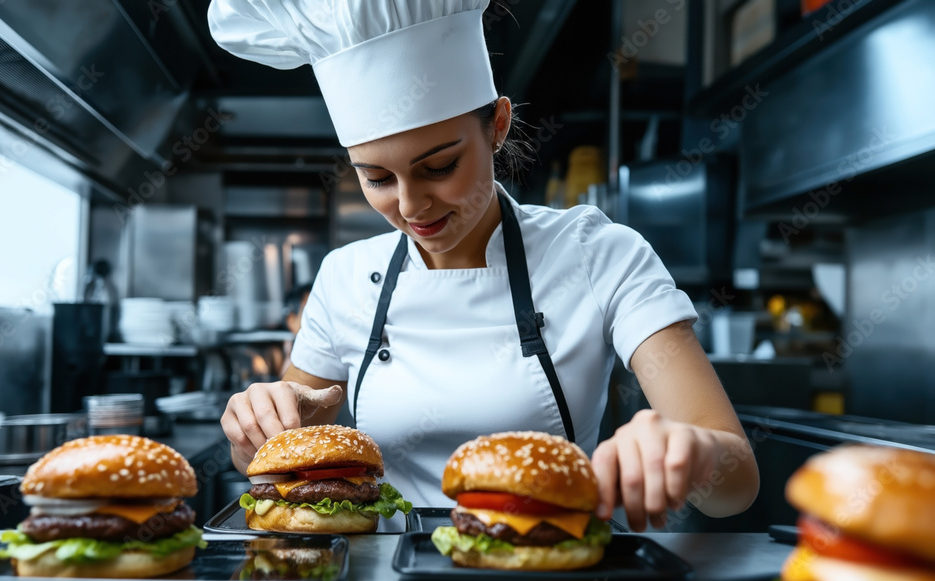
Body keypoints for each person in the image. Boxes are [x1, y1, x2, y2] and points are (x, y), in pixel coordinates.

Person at [209, 0, 759, 529]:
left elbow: (736, 486)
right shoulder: (343, 277)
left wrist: (694, 450)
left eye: (440, 166)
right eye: (376, 177)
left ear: (497, 125)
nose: (409, 206)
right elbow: (270, 462)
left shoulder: (599, 254)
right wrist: (259, 427)